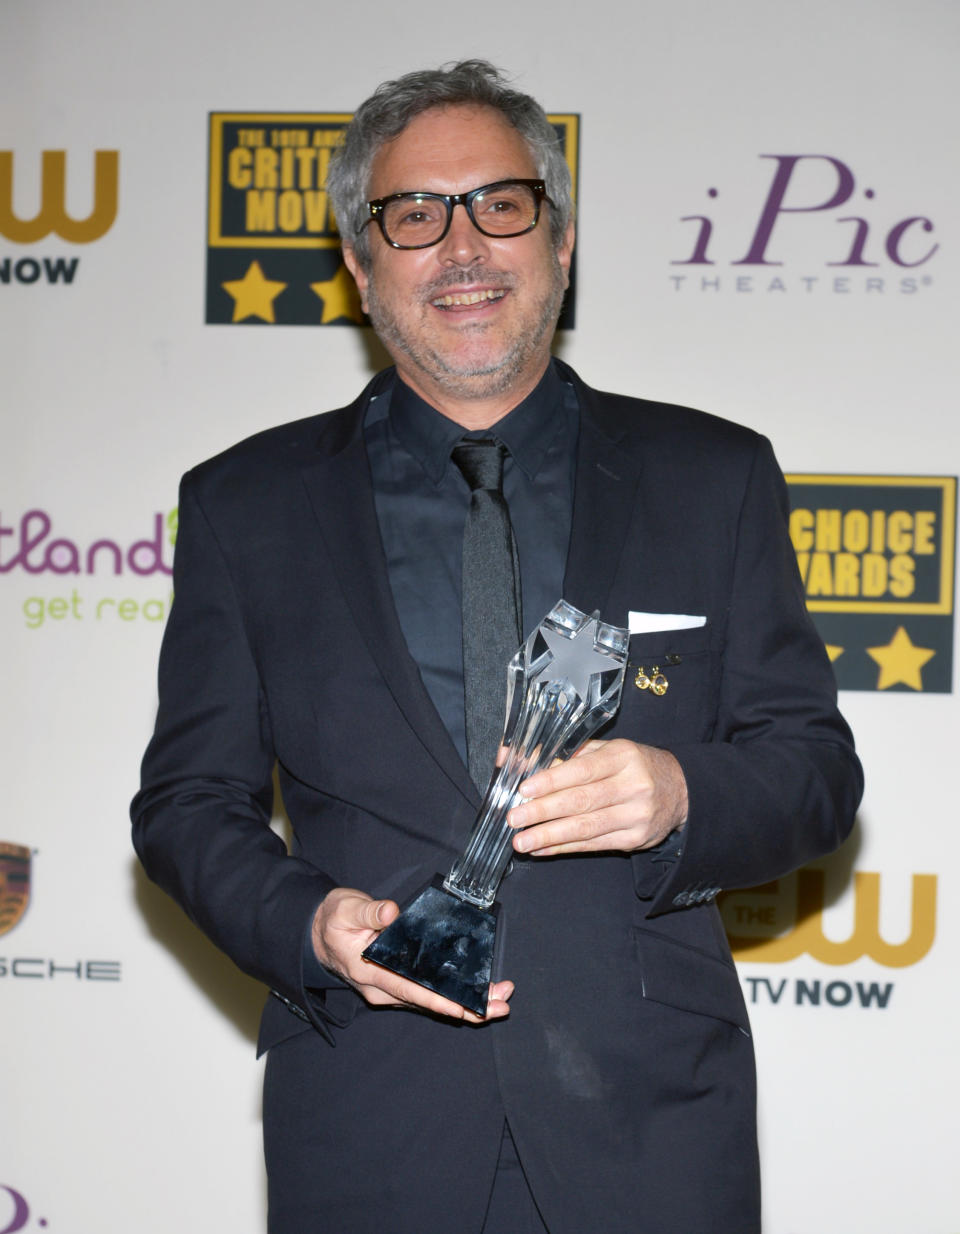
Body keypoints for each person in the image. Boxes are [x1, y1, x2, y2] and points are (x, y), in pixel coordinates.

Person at [132, 60, 862, 1234]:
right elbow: (185, 803)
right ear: (362, 268)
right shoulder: (245, 505)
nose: (462, 247)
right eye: (414, 215)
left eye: (501, 204)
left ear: (561, 244)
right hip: (371, 1123)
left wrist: (681, 789)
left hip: (651, 1131)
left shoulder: (713, 476)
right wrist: (308, 923)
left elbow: (817, 772)